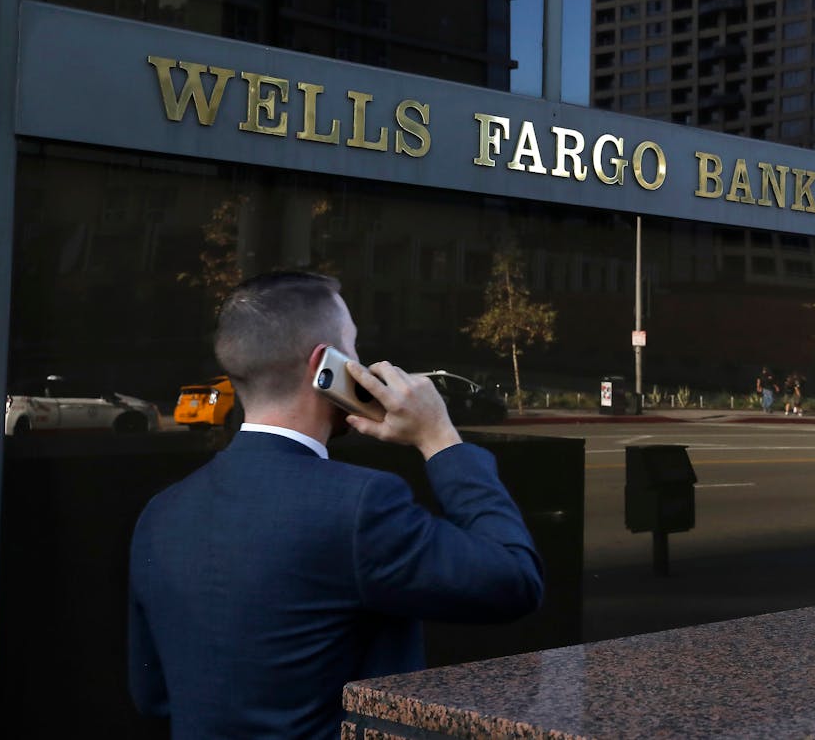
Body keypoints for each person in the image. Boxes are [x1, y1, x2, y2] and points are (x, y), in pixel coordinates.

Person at [128, 271, 543, 738]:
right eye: (355, 349)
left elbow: (153, 695)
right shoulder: (360, 505)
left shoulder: (161, 513)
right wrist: (440, 438)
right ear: (326, 365)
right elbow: (514, 580)